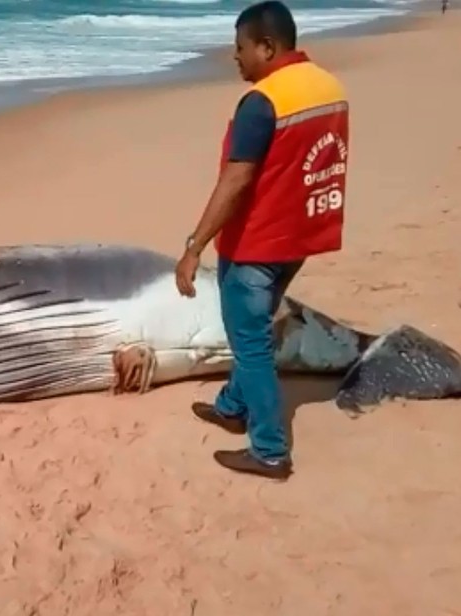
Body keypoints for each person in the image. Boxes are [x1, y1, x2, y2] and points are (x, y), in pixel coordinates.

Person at [174, 0, 350, 480]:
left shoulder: (263, 102)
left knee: (249, 341)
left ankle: (270, 449)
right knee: (251, 329)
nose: (235, 57)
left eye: (241, 48)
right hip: (302, 234)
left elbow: (236, 180)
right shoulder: (327, 85)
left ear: (267, 47)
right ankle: (233, 405)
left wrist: (194, 247)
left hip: (259, 241)